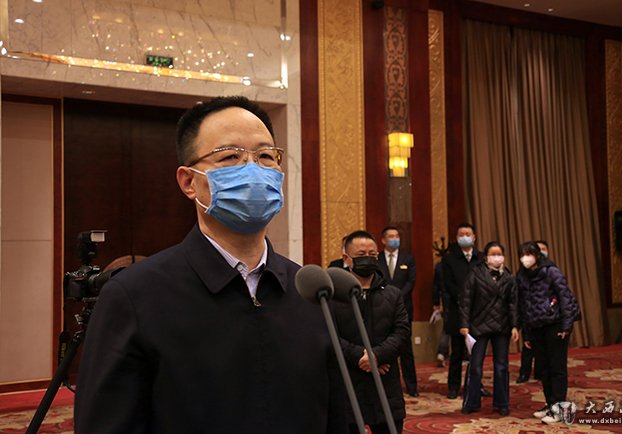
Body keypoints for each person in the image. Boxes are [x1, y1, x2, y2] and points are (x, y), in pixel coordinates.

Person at [74, 96, 345, 433]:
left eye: (265, 156)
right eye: (230, 156)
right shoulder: (135, 296)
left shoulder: (310, 292)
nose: (252, 169)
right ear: (189, 182)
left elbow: (336, 417)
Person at [331, 230, 410, 434]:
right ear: (346, 259)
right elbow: (328, 335)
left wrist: (376, 356)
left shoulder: (393, 294)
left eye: (372, 254)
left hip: (385, 386)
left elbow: (401, 333)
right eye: (361, 254)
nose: (368, 258)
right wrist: (360, 357)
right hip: (348, 385)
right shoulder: (332, 296)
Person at [517, 241, 580, 425]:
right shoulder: (521, 276)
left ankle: (560, 407)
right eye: (523, 254)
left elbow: (565, 298)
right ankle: (550, 403)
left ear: (537, 255)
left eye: (529, 253)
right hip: (536, 327)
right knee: (543, 368)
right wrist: (526, 334)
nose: (526, 258)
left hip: (555, 325)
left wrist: (566, 326)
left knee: (557, 367)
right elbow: (523, 306)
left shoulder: (551, 271)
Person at [459, 241, 519, 416]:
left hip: (502, 327)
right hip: (478, 326)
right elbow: (465, 300)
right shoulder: (475, 274)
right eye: (493, 254)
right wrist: (464, 324)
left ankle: (502, 403)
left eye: (499, 254)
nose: (496, 257)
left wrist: (515, 326)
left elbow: (513, 304)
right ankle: (471, 402)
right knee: (475, 366)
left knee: (501, 367)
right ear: (486, 258)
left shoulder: (509, 277)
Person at [441, 223, 490, 399]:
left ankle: (475, 385)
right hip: (457, 311)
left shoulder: (481, 258)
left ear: (474, 237)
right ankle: (453, 386)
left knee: (477, 353)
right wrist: (465, 299)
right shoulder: (449, 259)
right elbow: (448, 284)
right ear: (457, 238)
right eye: (461, 234)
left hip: (478, 313)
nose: (464, 237)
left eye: (468, 234)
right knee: (456, 353)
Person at [377, 226, 419, 397]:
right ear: (383, 240)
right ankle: (386, 385)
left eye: (397, 236)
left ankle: (412, 386)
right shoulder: (378, 258)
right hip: (382, 308)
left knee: (406, 349)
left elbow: (411, 282)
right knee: (384, 346)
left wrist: (396, 296)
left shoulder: (408, 258)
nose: (395, 239)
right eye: (391, 236)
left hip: (404, 309)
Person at [516, 239, 549, 383]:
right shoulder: (522, 273)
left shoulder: (549, 270)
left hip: (545, 313)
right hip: (528, 313)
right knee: (528, 344)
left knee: (544, 346)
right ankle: (524, 372)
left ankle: (541, 372)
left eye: (543, 249)